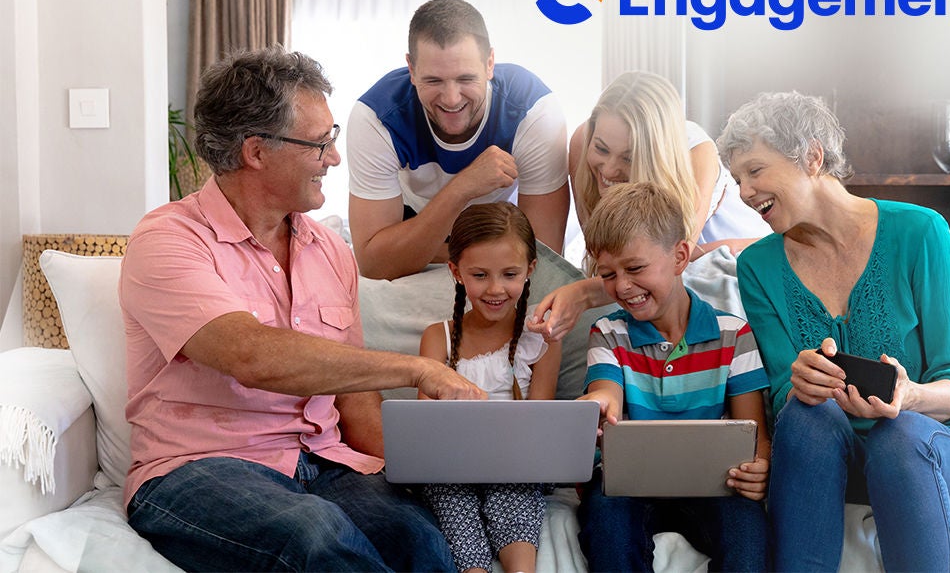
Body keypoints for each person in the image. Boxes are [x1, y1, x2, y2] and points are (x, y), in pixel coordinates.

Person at [119, 47, 486, 573]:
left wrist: (430, 469)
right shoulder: (169, 240)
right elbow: (250, 355)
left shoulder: (330, 251)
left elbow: (353, 398)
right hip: (197, 469)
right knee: (314, 534)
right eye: (320, 143)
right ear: (256, 152)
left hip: (322, 462)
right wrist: (417, 369)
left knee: (418, 537)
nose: (334, 158)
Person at [715, 92, 950, 572]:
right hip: (840, 464)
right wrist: (800, 383)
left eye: (755, 170)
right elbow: (779, 397)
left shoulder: (921, 232)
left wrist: (911, 395)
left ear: (812, 157)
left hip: (945, 452)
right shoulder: (757, 266)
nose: (744, 192)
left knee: (897, 435)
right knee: (805, 413)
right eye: (737, 180)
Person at [574, 182, 771, 573]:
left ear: (680, 256)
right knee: (609, 527)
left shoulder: (734, 334)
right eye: (608, 274)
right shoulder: (608, 332)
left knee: (748, 536)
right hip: (625, 485)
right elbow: (606, 391)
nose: (622, 286)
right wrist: (597, 405)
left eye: (635, 268)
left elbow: (754, 435)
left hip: (714, 483)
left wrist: (760, 466)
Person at [528, 71, 770, 343]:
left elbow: (671, 262)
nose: (608, 170)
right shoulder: (583, 141)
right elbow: (608, 253)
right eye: (602, 149)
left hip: (714, 257)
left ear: (656, 156)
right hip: (651, 266)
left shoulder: (696, 155)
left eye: (628, 158)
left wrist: (582, 293)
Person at [347, 0, 570, 280]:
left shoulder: (534, 112)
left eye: (466, 79)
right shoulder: (376, 118)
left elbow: (544, 260)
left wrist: (435, 252)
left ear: (490, 64)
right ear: (411, 70)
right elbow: (374, 265)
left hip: (502, 227)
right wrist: (462, 187)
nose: (451, 99)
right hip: (412, 219)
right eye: (433, 81)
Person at [418, 201, 562, 573]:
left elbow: (540, 422)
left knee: (515, 490)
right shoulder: (438, 338)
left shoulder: (542, 339)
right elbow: (422, 425)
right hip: (451, 466)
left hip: (517, 462)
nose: (495, 289)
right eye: (480, 275)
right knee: (450, 497)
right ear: (456, 272)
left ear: (530, 270)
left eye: (510, 274)